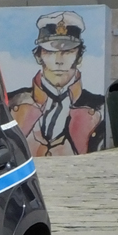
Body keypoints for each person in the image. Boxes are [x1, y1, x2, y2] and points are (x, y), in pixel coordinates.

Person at [8, 10, 106, 156]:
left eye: (68, 52)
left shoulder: (100, 107)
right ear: (38, 56)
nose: (58, 60)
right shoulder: (11, 102)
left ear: (79, 58)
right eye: (50, 52)